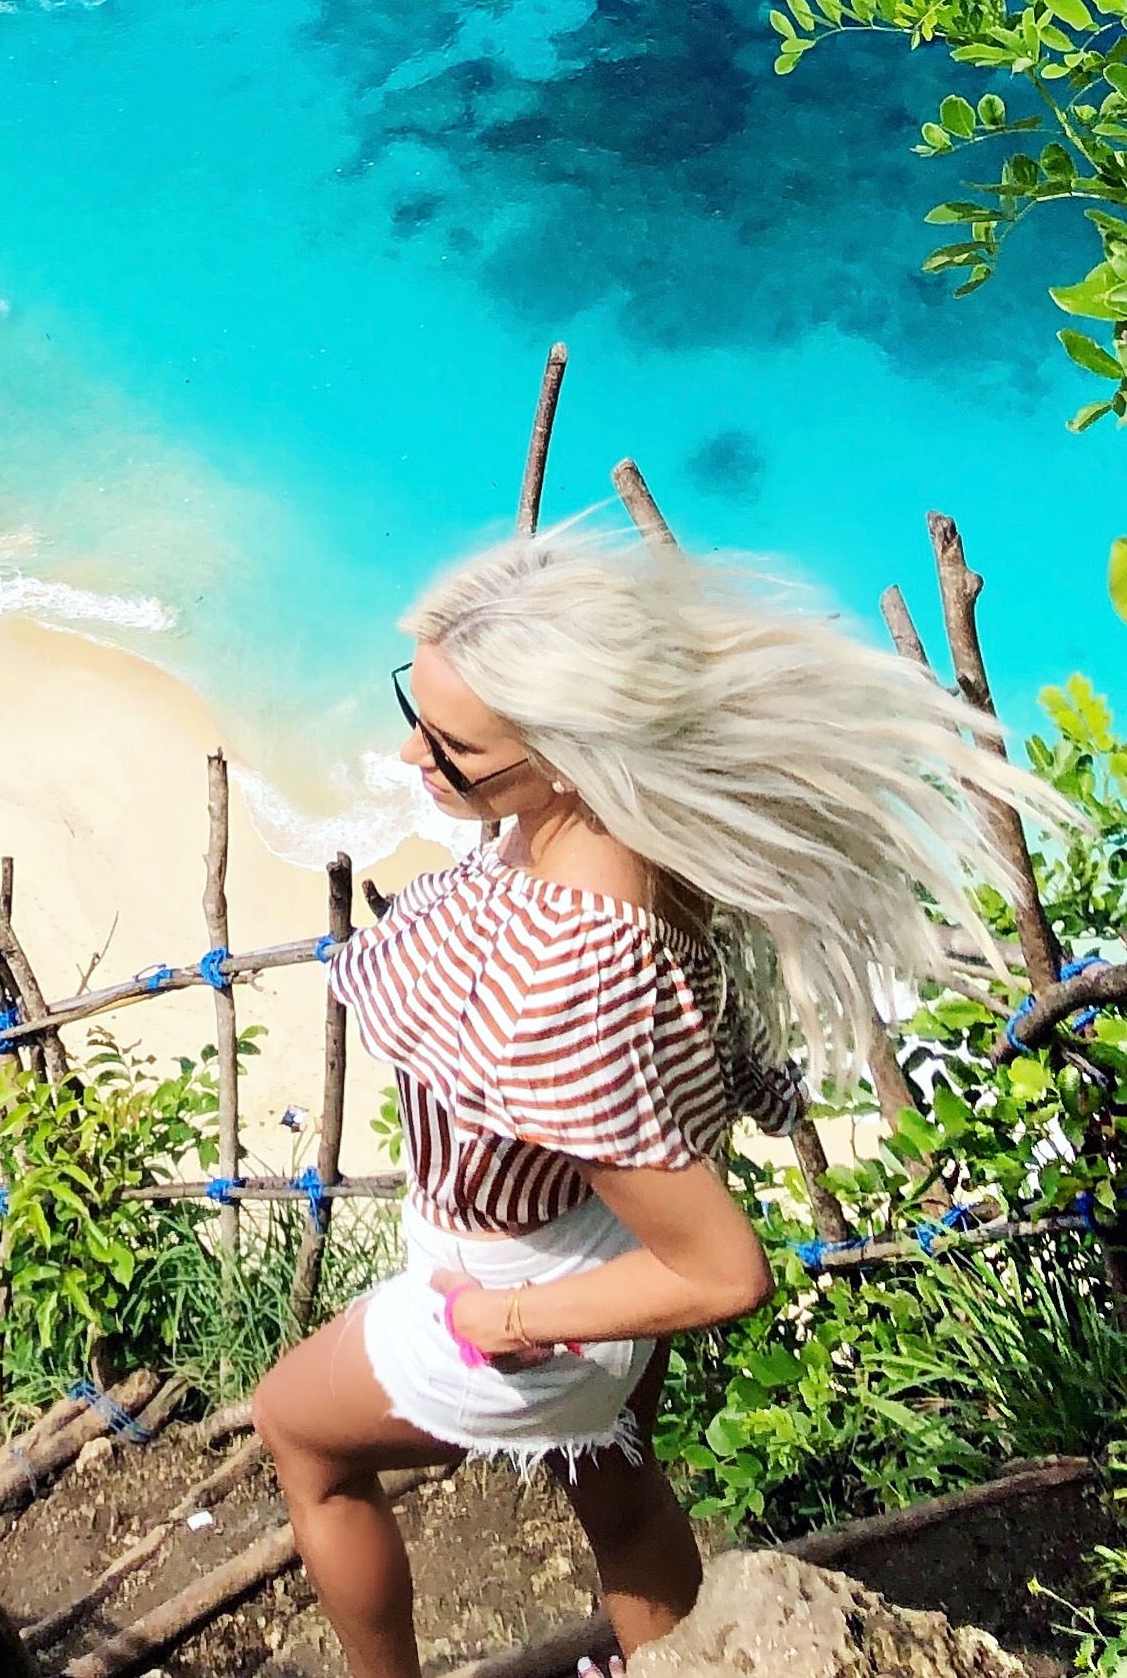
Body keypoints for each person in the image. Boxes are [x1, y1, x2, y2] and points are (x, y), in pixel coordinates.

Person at [250, 523, 1053, 1678]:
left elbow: (725, 1271)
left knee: (298, 1431)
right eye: (414, 712)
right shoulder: (618, 831)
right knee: (615, 1482)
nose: (416, 755)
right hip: (595, 1234)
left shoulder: (560, 981)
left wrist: (501, 1323)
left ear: (570, 750)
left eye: (455, 744)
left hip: (521, 1288)